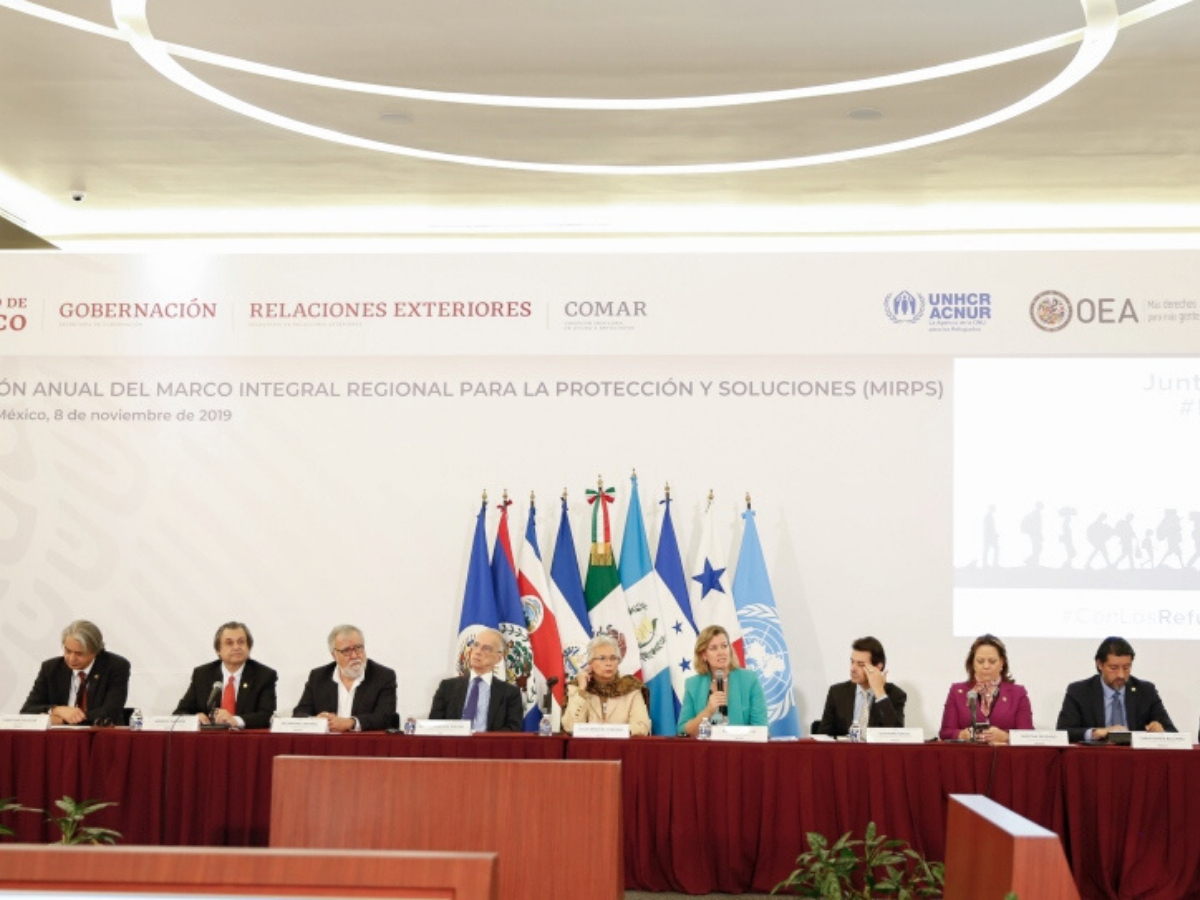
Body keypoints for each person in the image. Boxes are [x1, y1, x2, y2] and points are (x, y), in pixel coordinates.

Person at [1055, 636, 1177, 743]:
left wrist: (1161, 732)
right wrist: (1094, 733)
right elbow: (1063, 732)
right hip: (1096, 758)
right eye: (1113, 668)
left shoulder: (1146, 691)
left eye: (1126, 667)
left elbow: (1173, 732)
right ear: (1099, 664)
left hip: (1136, 759)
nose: (1121, 675)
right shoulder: (1079, 691)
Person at [21, 620, 131, 726]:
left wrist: (62, 721)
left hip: (101, 736)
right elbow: (27, 710)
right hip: (60, 738)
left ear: (95, 651)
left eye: (79, 654)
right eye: (67, 651)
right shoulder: (51, 668)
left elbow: (110, 713)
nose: (71, 658)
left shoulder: (116, 666)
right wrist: (57, 710)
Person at [292, 625, 398, 732]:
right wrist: (316, 721)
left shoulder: (383, 676)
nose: (354, 655)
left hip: (364, 745)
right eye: (346, 651)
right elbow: (299, 713)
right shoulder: (318, 677)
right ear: (334, 655)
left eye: (358, 648)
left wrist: (351, 722)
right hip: (326, 744)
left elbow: (387, 717)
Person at [174, 621, 277, 728]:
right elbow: (180, 712)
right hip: (210, 740)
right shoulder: (202, 674)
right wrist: (195, 718)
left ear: (249, 647)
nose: (236, 647)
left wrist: (235, 720)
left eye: (241, 642)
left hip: (245, 740)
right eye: (229, 643)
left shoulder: (264, 675)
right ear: (218, 649)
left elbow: (266, 715)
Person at [939, 634, 1033, 743]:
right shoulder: (956, 691)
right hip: (968, 757)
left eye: (992, 661)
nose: (986, 666)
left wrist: (1006, 737)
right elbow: (945, 733)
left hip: (1004, 757)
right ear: (972, 663)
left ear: (1002, 662)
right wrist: (962, 735)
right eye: (980, 661)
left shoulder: (1018, 693)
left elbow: (1028, 735)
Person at [678, 624, 767, 736]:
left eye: (724, 646)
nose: (721, 652)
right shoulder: (693, 685)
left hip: (741, 750)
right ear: (704, 655)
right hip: (706, 751)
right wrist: (708, 711)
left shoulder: (749, 680)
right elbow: (683, 731)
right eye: (713, 648)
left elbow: (760, 728)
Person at [428, 628, 522, 732]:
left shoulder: (510, 693)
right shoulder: (447, 687)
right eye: (476, 645)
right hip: (453, 745)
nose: (478, 651)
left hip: (489, 746)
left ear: (498, 658)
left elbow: (513, 729)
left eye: (486, 648)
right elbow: (434, 725)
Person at [815, 636, 906, 737]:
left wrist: (880, 692)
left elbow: (897, 736)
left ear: (877, 667)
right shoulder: (837, 693)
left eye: (860, 664)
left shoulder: (895, 695)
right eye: (852, 662)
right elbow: (822, 737)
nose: (852, 669)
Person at [561, 634, 650, 735]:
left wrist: (610, 732)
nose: (609, 663)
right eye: (602, 658)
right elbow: (569, 726)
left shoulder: (631, 687)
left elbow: (642, 727)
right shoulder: (576, 687)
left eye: (613, 658)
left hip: (622, 748)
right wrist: (582, 690)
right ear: (590, 662)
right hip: (586, 748)